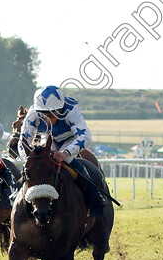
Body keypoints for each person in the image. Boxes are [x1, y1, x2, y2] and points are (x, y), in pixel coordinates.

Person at [17, 85, 106, 216]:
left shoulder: (71, 110)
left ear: (61, 109)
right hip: (48, 140)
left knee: (69, 160)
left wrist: (65, 153)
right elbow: (23, 142)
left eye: (53, 114)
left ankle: (94, 195)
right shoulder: (33, 114)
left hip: (69, 140)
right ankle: (16, 193)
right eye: (44, 115)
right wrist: (29, 160)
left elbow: (85, 137)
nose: (48, 119)